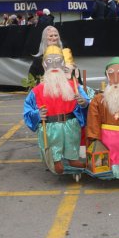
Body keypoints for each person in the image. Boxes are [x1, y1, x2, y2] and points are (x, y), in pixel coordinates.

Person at [23, 45, 89, 175]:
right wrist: (37, 114)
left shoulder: (74, 86)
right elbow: (27, 109)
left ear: (63, 63)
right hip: (50, 127)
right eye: (49, 61)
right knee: (55, 152)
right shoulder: (37, 90)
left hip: (70, 125)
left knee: (71, 147)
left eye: (57, 61)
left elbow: (86, 102)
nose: (54, 65)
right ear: (44, 65)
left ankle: (72, 159)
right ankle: (56, 161)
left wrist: (84, 103)